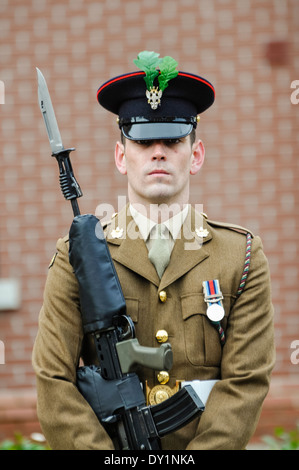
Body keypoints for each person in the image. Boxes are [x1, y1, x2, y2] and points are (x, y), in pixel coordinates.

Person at [32, 51, 275, 450]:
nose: (158, 152)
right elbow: (53, 379)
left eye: (174, 140)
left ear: (195, 156)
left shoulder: (241, 255)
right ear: (121, 156)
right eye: (143, 141)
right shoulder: (78, 255)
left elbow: (246, 382)